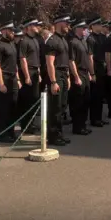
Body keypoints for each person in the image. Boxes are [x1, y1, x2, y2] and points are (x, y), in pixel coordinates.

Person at [45, 15, 72, 146]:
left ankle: (59, 134)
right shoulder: (52, 41)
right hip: (56, 74)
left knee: (62, 107)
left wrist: (68, 77)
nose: (68, 25)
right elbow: (50, 63)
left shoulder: (63, 40)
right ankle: (53, 136)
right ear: (58, 23)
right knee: (55, 108)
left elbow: (65, 61)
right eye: (66, 23)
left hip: (63, 74)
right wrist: (53, 82)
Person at [0, 21, 21, 143]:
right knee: (4, 108)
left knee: (13, 107)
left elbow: (14, 64)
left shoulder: (12, 44)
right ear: (4, 31)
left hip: (13, 78)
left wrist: (18, 78)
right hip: (4, 78)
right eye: (11, 30)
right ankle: (3, 134)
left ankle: (11, 131)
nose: (13, 33)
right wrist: (1, 83)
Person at [67, 19, 94, 135]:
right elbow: (71, 61)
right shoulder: (73, 42)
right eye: (83, 28)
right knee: (78, 101)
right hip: (78, 73)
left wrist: (89, 72)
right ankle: (77, 127)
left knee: (85, 100)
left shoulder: (84, 41)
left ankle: (83, 124)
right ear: (77, 28)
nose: (85, 30)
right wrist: (76, 77)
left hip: (85, 72)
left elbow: (87, 58)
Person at [17, 18, 41, 134]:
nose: (36, 26)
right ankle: (25, 126)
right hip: (28, 72)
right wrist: (26, 76)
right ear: (28, 27)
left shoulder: (35, 40)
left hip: (35, 71)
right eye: (34, 24)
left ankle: (31, 124)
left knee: (34, 99)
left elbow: (36, 58)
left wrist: (39, 72)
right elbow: (23, 59)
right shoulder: (24, 41)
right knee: (27, 101)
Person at [86, 16, 108, 128]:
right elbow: (90, 57)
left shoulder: (102, 37)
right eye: (98, 25)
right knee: (95, 95)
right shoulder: (90, 39)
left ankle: (99, 117)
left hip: (102, 67)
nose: (101, 26)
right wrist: (92, 72)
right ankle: (94, 119)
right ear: (93, 26)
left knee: (100, 94)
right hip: (95, 67)